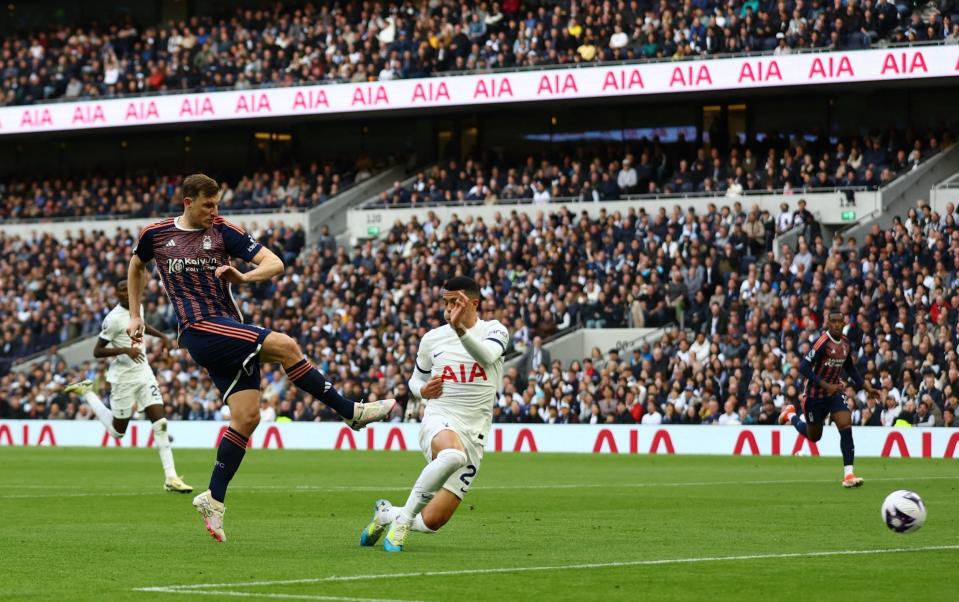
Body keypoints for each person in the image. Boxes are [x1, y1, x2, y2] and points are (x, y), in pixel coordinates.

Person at [126, 173, 394, 542]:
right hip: (198, 328)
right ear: (186, 201)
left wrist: (243, 277)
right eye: (208, 205)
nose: (214, 211)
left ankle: (213, 500)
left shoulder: (223, 232)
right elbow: (136, 266)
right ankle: (351, 411)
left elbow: (275, 263)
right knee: (286, 346)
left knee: (247, 418)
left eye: (217, 204)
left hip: (226, 326)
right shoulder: (155, 235)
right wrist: (135, 314)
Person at [358, 276, 509, 552]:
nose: (449, 308)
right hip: (440, 418)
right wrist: (423, 391)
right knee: (453, 454)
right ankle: (402, 522)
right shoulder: (432, 339)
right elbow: (414, 382)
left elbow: (487, 357)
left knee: (432, 522)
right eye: (446, 301)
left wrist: (461, 331)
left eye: (457, 302)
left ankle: (386, 515)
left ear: (474, 303)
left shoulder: (495, 331)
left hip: (475, 432)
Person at [65, 279, 193, 494]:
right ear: (116, 294)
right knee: (117, 432)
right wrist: (124, 351)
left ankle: (171, 477)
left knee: (160, 423)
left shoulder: (138, 307)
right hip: (123, 379)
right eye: (121, 290)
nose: (126, 293)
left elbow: (141, 324)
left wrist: (162, 336)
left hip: (144, 374)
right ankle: (87, 392)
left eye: (128, 289)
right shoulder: (113, 319)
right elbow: (97, 351)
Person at [780, 310, 880, 487]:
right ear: (828, 324)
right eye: (833, 322)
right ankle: (791, 415)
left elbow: (850, 367)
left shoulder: (846, 343)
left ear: (844, 323)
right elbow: (803, 367)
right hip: (814, 396)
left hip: (833, 394)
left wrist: (866, 387)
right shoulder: (822, 343)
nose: (836, 325)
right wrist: (825, 385)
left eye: (839, 322)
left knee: (845, 423)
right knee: (814, 436)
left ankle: (848, 475)